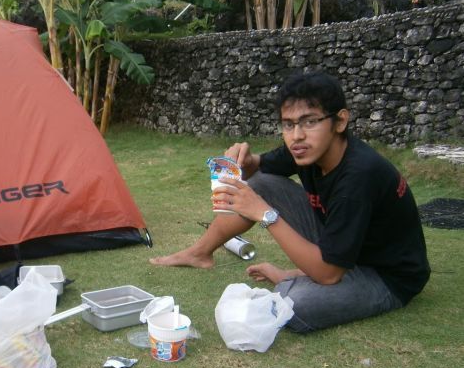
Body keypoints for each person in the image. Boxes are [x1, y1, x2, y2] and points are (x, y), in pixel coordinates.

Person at [150, 71, 430, 332]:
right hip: (347, 249)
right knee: (261, 182)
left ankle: (292, 277)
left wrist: (265, 214)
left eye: (310, 122)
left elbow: (330, 275)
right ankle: (199, 253)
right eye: (288, 124)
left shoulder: (358, 177)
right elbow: (260, 167)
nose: (297, 135)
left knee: (293, 307)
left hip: (384, 276)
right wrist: (245, 161)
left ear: (340, 122)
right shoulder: (305, 150)